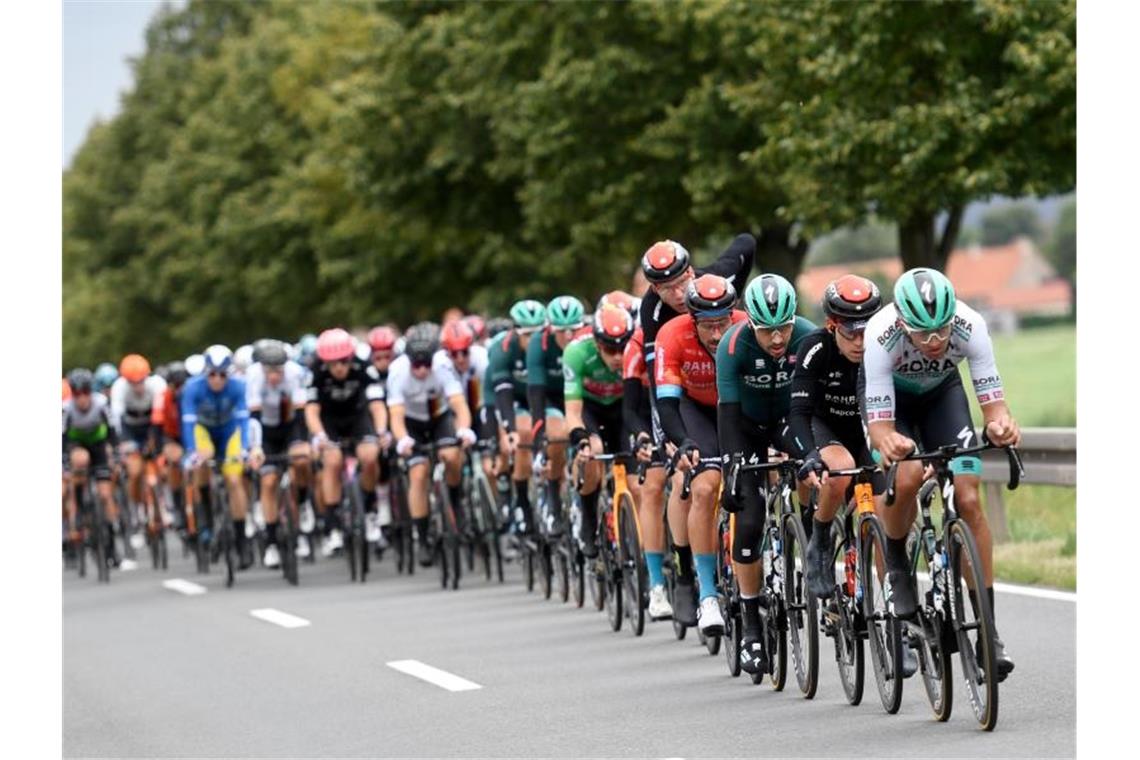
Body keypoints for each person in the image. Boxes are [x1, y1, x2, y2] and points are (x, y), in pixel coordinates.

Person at [861, 267, 1020, 680]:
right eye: (923, 334)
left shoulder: (972, 326)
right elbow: (879, 428)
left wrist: (1002, 424)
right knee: (909, 476)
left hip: (942, 398)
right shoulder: (880, 335)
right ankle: (897, 563)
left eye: (942, 332)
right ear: (902, 323)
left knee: (968, 498)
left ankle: (988, 628)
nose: (934, 343)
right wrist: (888, 442)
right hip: (894, 404)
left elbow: (994, 408)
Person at [716, 274, 816, 674]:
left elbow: (814, 403)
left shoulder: (807, 336)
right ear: (751, 324)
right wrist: (730, 473)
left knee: (816, 466)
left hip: (789, 419)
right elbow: (725, 413)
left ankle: (811, 534)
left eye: (784, 328)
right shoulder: (732, 345)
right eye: (767, 331)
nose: (777, 339)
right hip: (745, 426)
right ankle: (752, 624)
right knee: (751, 517)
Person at [653, 274, 748, 632]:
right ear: (692, 320)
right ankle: (707, 594)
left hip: (737, 406)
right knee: (705, 486)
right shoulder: (672, 335)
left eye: (721, 322)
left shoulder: (747, 328)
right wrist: (683, 442)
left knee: (767, 471)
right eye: (706, 325)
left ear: (734, 314)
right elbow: (667, 405)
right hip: (694, 410)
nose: (714, 334)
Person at [388, 323, 475, 563]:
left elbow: (459, 405)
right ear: (409, 362)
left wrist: (465, 429)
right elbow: (395, 416)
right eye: (417, 365)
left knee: (452, 455)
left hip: (439, 418)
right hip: (412, 422)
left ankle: (455, 501)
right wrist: (402, 439)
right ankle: (423, 534)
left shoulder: (444, 366)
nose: (423, 370)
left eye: (427, 364)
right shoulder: (397, 372)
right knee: (418, 473)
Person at [304, 328, 388, 557]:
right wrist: (319, 435)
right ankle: (333, 528)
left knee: (370, 456)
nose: (339, 368)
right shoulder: (315, 372)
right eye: (332, 363)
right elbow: (311, 411)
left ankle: (370, 512)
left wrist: (381, 430)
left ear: (350, 358)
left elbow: (377, 405)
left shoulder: (364, 368)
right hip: (329, 421)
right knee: (332, 460)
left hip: (357, 417)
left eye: (343, 362)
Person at [564, 305, 633, 558]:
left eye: (622, 347)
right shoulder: (576, 352)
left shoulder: (635, 348)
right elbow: (572, 411)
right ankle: (589, 522)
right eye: (609, 349)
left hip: (623, 408)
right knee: (595, 452)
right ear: (596, 342)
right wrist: (580, 439)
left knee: (638, 482)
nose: (617, 355)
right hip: (590, 409)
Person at [180, 345, 254, 568]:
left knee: (234, 480)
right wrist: (192, 451)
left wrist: (243, 449)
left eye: (223, 374)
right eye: (212, 374)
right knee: (204, 458)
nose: (217, 380)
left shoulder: (239, 387)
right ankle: (208, 523)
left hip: (229, 431)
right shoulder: (193, 388)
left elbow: (243, 419)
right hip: (204, 431)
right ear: (206, 372)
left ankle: (241, 542)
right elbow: (189, 424)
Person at [245, 339, 311, 569]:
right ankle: (272, 542)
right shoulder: (253, 376)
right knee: (269, 480)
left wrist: (302, 441)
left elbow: (302, 413)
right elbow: (252, 418)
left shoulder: (295, 373)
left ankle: (302, 505)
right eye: (269, 371)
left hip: (289, 426)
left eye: (278, 371)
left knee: (302, 462)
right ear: (262, 368)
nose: (274, 376)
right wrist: (255, 447)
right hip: (264, 430)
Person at [485, 300, 548, 533]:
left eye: (537, 333)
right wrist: (508, 429)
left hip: (538, 395)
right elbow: (502, 395)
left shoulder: (548, 345)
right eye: (526, 334)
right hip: (507, 397)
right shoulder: (501, 349)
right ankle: (516, 497)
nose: (532, 340)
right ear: (514, 331)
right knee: (518, 436)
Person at [527, 296, 587, 534]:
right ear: (550, 329)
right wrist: (539, 437)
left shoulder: (588, 339)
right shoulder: (537, 344)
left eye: (574, 329)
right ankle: (553, 493)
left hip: (581, 397)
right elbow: (536, 394)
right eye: (561, 331)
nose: (569, 336)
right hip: (552, 398)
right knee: (558, 435)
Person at [63, 368, 120, 567]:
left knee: (105, 494)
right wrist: (64, 461)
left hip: (98, 445)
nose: (82, 398)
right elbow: (62, 438)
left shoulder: (101, 404)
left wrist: (116, 451)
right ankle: (79, 512)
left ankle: (111, 543)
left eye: (85, 392)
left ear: (91, 390)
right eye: (77, 394)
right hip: (77, 445)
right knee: (80, 460)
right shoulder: (66, 408)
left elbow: (112, 431)